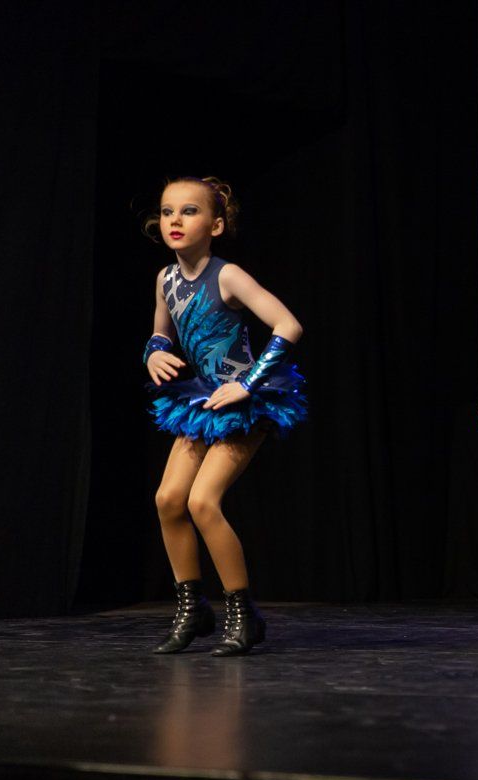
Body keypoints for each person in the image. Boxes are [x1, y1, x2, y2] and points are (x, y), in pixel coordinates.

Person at [141, 176, 306, 656]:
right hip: (202, 402)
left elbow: (288, 325)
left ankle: (242, 612)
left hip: (247, 403)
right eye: (168, 211)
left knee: (202, 502)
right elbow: (161, 333)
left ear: (215, 225)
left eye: (189, 211)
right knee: (168, 499)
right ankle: (192, 608)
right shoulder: (165, 279)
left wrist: (248, 383)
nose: (175, 219)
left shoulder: (227, 275)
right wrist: (154, 352)